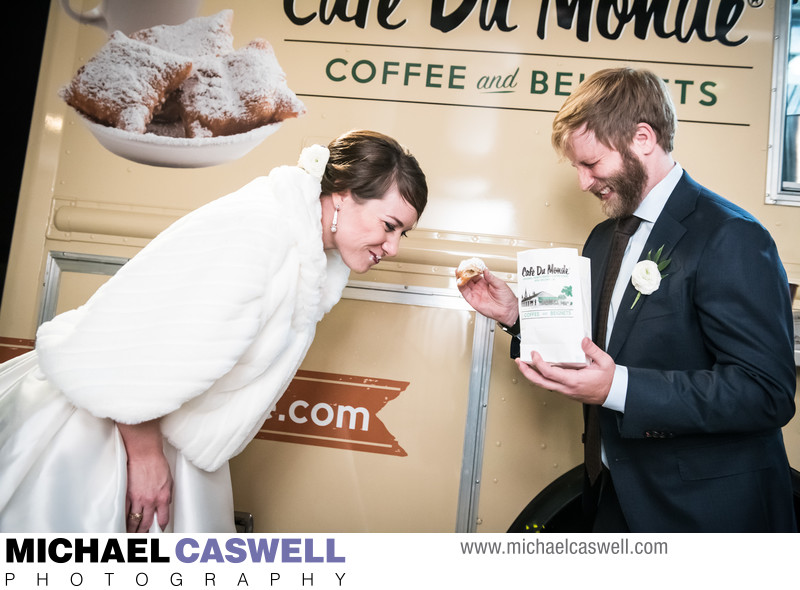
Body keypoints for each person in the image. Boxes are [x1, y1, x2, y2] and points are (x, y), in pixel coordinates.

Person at [0, 129, 427, 533]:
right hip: (103, 432)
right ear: (343, 195)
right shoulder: (260, 232)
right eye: (389, 226)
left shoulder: (306, 253)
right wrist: (146, 459)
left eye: (402, 233)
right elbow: (130, 345)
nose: (393, 248)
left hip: (162, 430)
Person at [458, 68, 797, 532]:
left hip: (705, 512)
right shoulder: (603, 237)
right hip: (616, 496)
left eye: (591, 164)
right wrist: (517, 315)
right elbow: (595, 349)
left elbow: (765, 393)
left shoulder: (731, 236)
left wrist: (618, 388)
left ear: (642, 138)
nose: (583, 182)